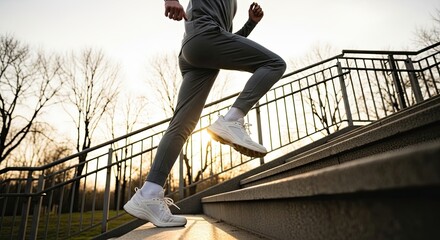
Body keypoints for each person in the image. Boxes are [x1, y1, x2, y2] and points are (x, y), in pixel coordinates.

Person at [124, 0, 286, 227]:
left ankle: (149, 193)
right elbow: (221, 39)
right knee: (274, 64)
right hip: (203, 38)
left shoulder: (231, 5)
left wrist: (250, 24)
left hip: (198, 51)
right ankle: (232, 119)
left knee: (182, 126)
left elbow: (228, 41)